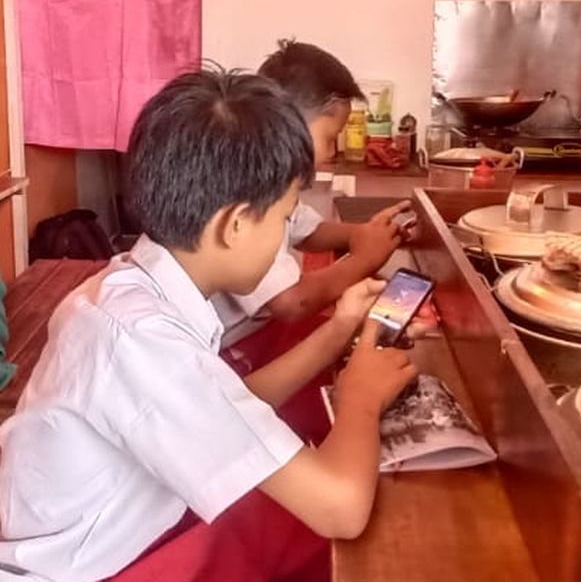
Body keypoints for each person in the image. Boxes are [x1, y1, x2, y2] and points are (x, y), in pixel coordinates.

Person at [0, 69, 417, 581]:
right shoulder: (142, 341)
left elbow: (229, 399)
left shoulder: (128, 290)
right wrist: (360, 398)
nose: (289, 233)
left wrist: (339, 330)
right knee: (324, 530)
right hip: (84, 571)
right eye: (285, 218)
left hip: (107, 537)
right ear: (235, 224)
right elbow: (341, 509)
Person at [211, 39, 406, 351]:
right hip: (230, 346)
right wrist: (364, 259)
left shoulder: (275, 175)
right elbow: (292, 303)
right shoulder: (250, 187)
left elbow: (307, 230)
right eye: (330, 138)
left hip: (256, 330)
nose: (331, 152)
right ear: (290, 124)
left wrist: (364, 234)